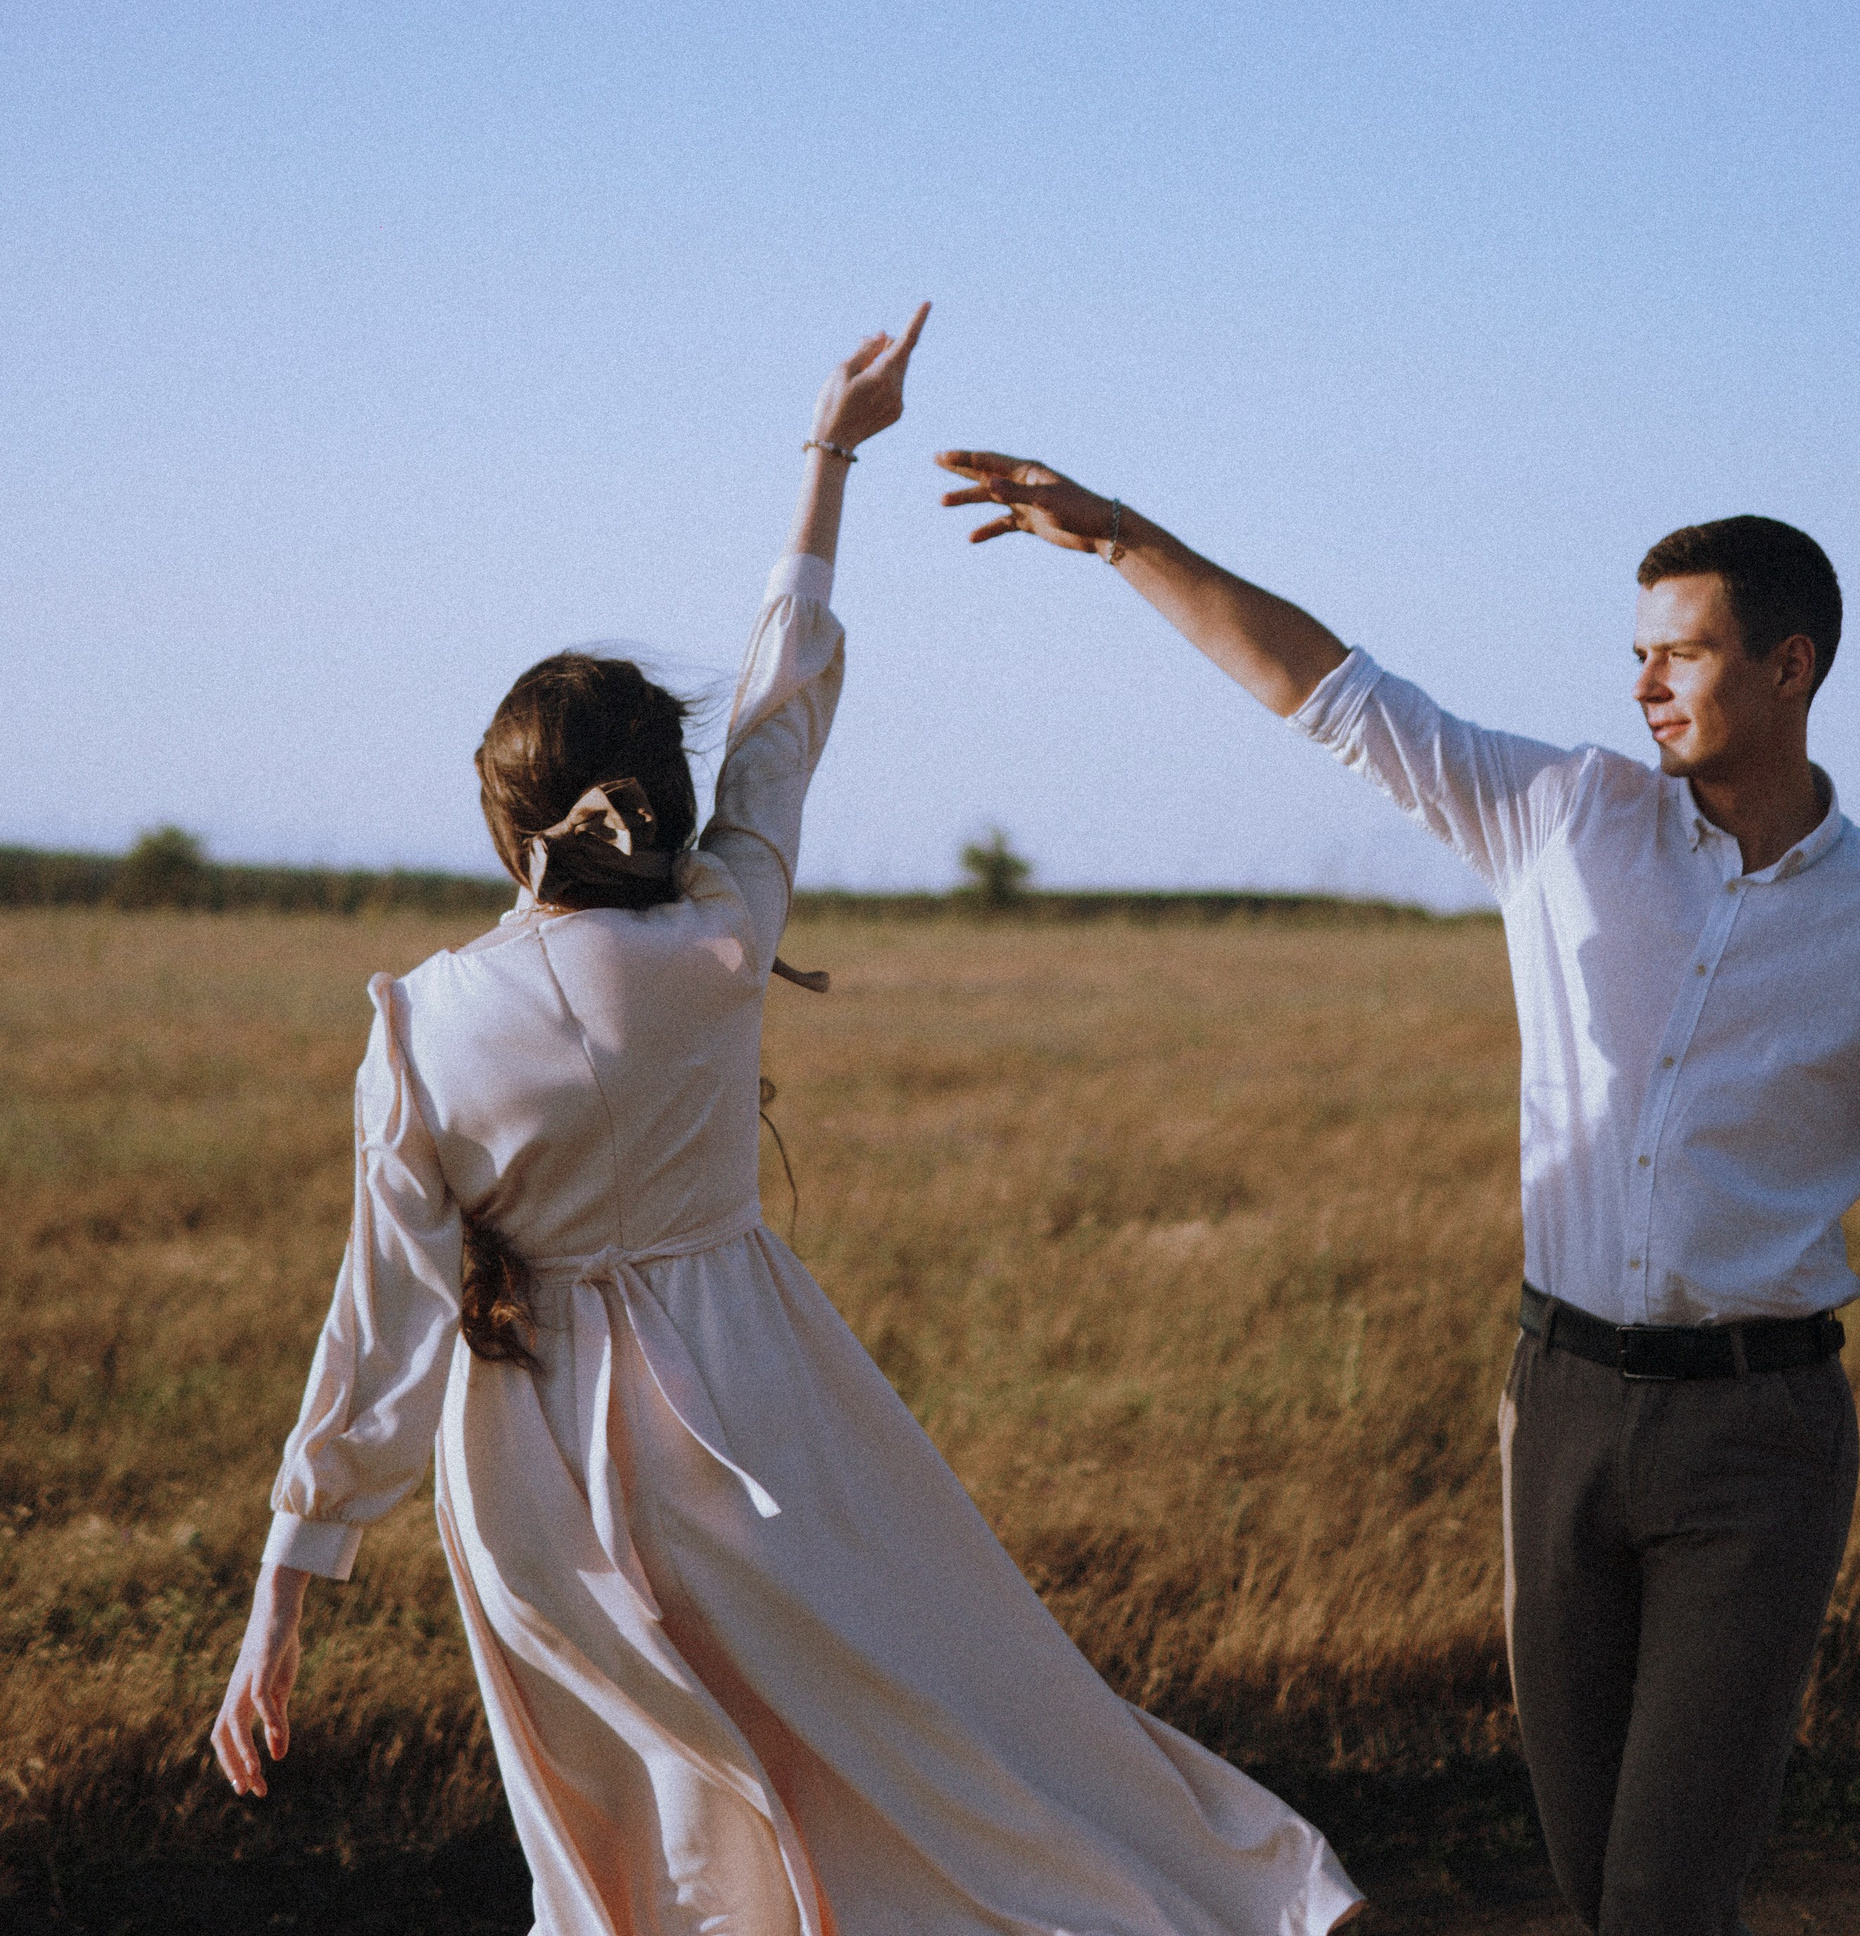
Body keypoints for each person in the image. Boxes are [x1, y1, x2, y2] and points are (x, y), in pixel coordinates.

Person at [211, 314, 1363, 1936]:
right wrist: (829, 457)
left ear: (503, 813)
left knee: (642, 1835)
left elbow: (379, 1325)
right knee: (900, 1732)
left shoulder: (422, 1026)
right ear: (658, 805)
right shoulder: (720, 937)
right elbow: (780, 713)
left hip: (532, 1465)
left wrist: (287, 1583)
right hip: (759, 1397)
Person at [935, 452, 1860, 1936]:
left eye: (1685, 652)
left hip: (1760, 1435)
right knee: (1589, 1868)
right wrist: (1125, 539)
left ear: (1792, 666)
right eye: (1639, 651)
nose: (1645, 683)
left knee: (1665, 1893)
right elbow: (1328, 689)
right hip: (1560, 1406)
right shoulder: (1565, 814)